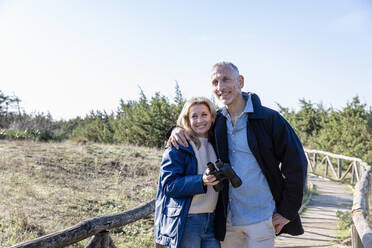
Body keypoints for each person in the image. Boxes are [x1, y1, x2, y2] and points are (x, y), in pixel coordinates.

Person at [168, 62, 308, 248]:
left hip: (262, 217)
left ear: (240, 81)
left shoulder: (269, 119)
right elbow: (194, 127)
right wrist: (175, 130)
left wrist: (288, 211)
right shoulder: (216, 122)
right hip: (228, 220)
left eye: (226, 79)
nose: (220, 87)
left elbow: (296, 164)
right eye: (215, 82)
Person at [155, 97, 223, 248]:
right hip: (187, 221)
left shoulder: (218, 143)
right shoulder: (179, 145)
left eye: (204, 115)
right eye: (194, 116)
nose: (199, 120)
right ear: (187, 119)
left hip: (213, 221)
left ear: (212, 117)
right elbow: (169, 185)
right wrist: (201, 181)